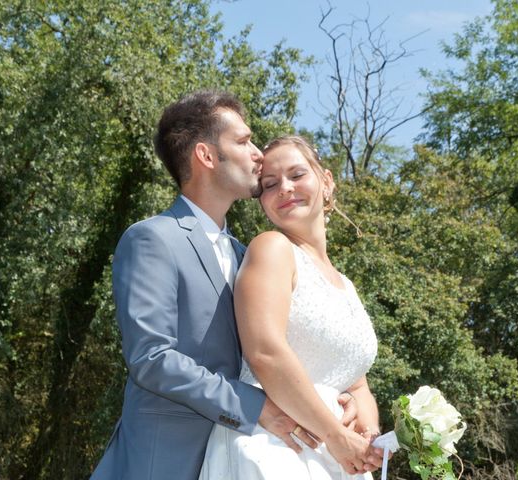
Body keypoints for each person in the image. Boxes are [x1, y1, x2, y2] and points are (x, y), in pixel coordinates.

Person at [90, 92, 342, 480]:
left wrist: (334, 401)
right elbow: (151, 358)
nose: (258, 153)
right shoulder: (152, 239)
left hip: (251, 460)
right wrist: (253, 405)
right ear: (206, 156)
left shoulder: (251, 258)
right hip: (167, 463)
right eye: (243, 141)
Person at [200, 135, 384, 479]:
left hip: (339, 456)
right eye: (269, 184)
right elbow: (265, 352)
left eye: (297, 175)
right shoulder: (271, 249)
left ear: (326, 182)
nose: (285, 188)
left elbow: (358, 384)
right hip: (274, 447)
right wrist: (334, 433)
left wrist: (368, 434)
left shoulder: (347, 286)